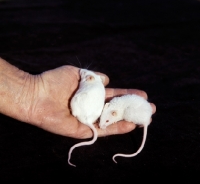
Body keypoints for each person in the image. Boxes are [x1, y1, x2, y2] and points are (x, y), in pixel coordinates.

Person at [0, 57, 156, 139]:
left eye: (85, 74)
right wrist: (30, 91)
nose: (82, 72)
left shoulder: (94, 86)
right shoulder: (96, 88)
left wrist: (29, 91)